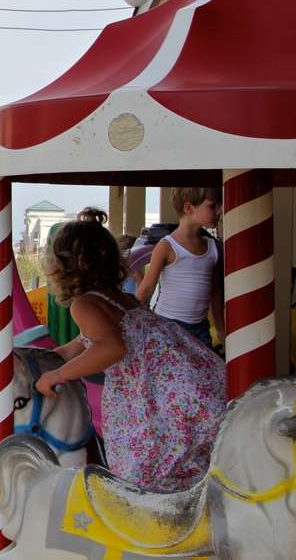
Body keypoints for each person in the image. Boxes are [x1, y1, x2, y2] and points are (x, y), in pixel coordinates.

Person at [35, 208, 225, 491]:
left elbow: (111, 347)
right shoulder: (117, 297)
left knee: (144, 467)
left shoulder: (85, 304)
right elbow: (83, 342)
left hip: (157, 392)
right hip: (187, 379)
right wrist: (48, 358)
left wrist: (59, 375)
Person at [135, 188, 224, 349]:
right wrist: (133, 322)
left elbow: (215, 291)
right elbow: (147, 288)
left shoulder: (213, 247)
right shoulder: (167, 246)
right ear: (189, 208)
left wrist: (220, 328)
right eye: (213, 206)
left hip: (200, 326)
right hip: (168, 324)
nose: (220, 210)